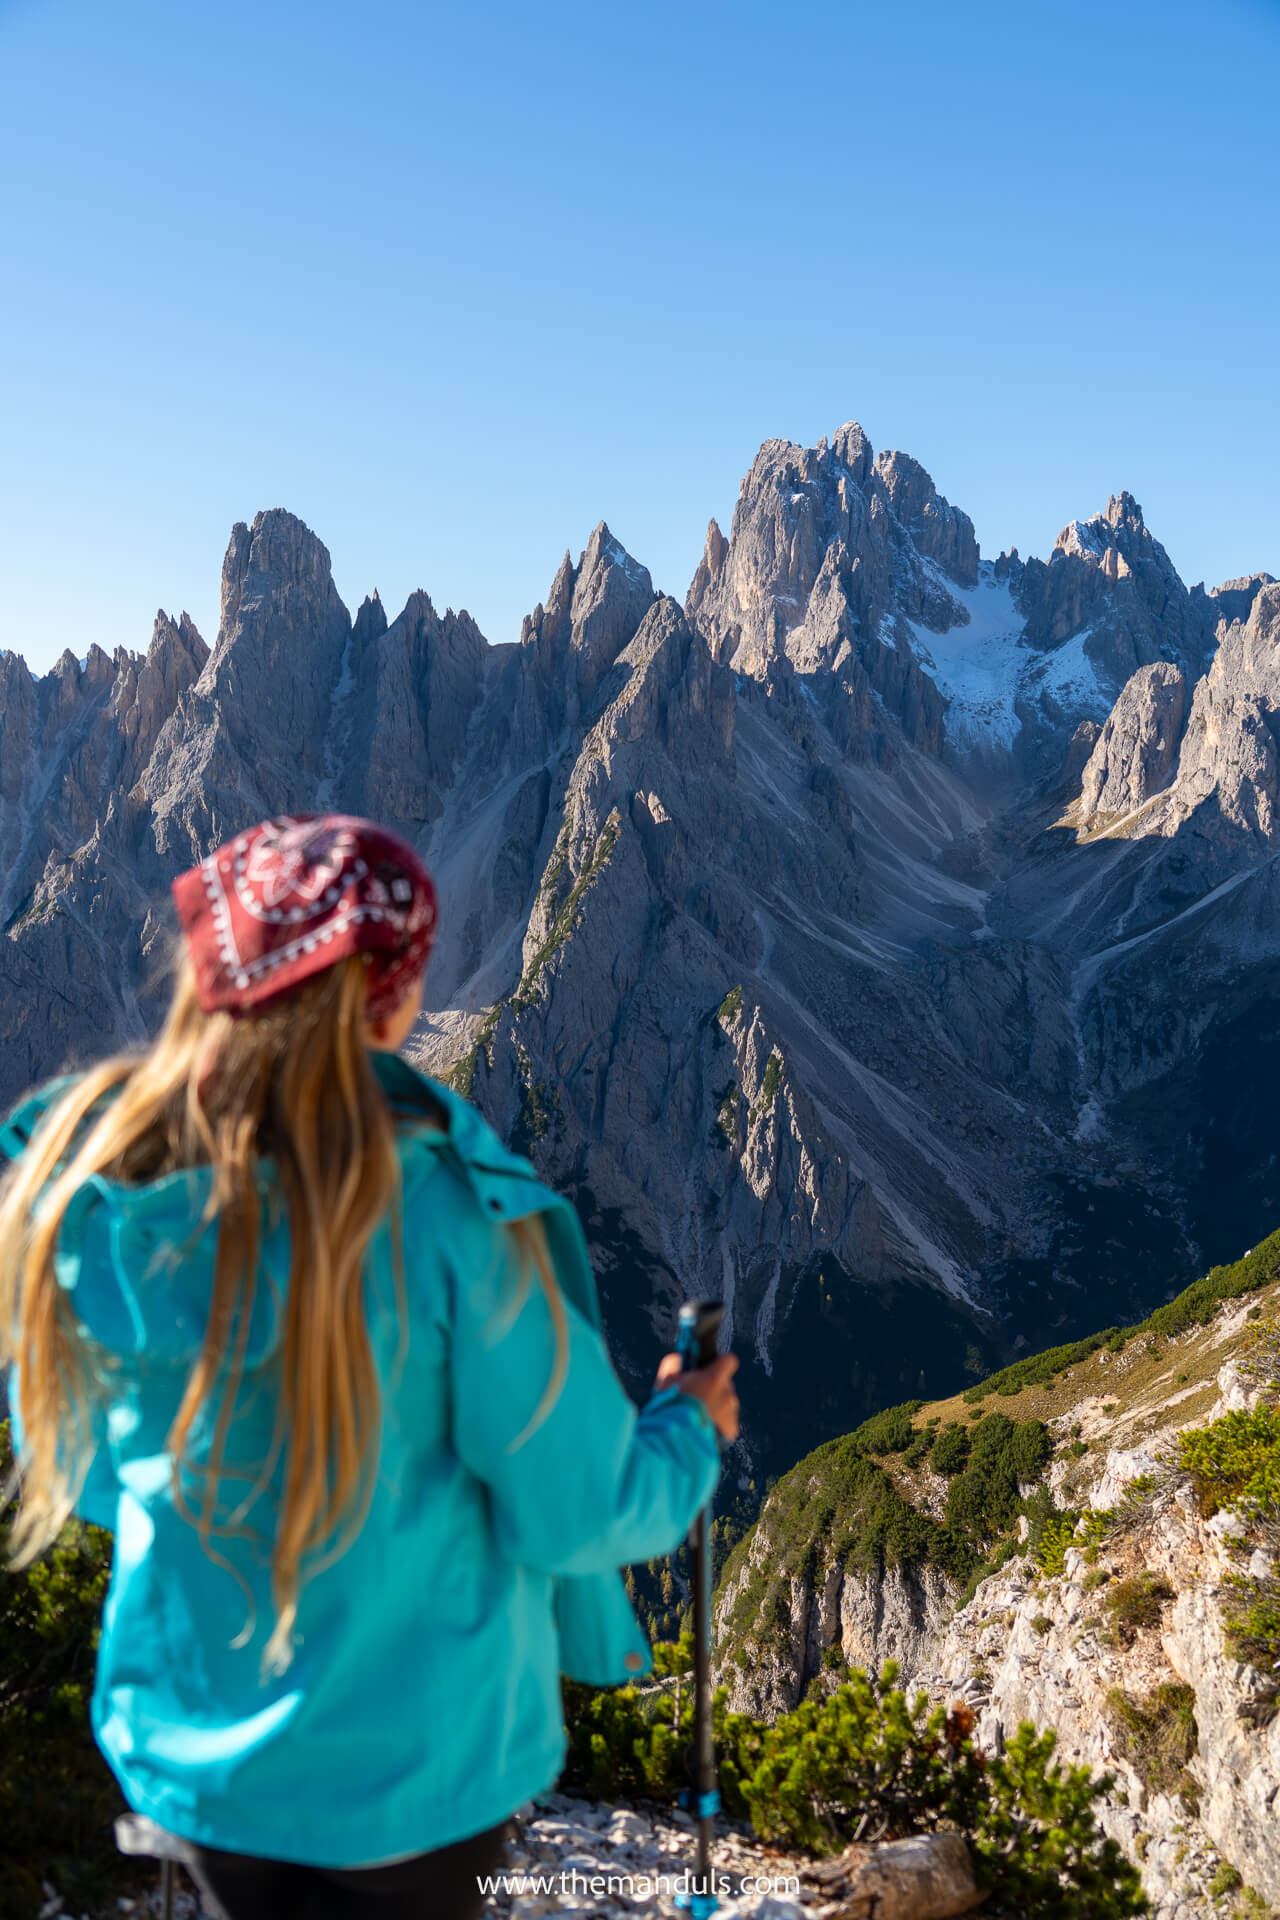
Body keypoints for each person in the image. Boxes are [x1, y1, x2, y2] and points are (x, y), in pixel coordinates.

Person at [0, 812, 740, 1920]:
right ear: (392, 996)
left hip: (199, 1759)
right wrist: (688, 1428)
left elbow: (88, 1474)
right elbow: (581, 1512)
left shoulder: (86, 1200)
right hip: (419, 1777)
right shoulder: (447, 1222)